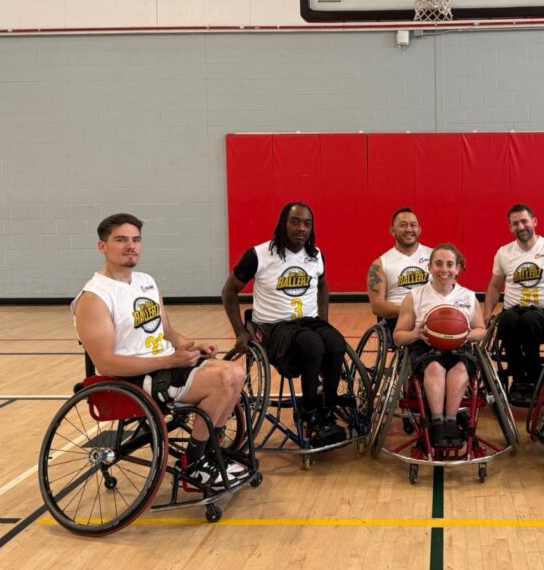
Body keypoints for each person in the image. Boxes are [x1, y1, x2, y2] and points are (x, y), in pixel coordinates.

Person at [73, 213, 247, 489]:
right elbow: (106, 364)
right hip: (132, 380)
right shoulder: (95, 297)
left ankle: (206, 453)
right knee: (223, 379)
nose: (131, 246)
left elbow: (167, 332)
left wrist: (190, 345)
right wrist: (169, 360)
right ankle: (195, 462)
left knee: (237, 372)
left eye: (136, 240)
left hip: (164, 367)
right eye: (121, 240)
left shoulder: (146, 281)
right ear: (102, 247)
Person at [221, 201, 346, 447]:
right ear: (282, 223)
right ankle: (310, 416)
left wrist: (324, 321)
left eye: (307, 224)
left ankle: (327, 409)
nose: (302, 228)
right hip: (272, 327)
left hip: (307, 322)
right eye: (295, 222)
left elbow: (322, 286)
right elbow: (229, 291)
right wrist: (240, 331)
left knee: (335, 341)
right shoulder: (258, 255)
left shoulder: (316, 255)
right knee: (312, 345)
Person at [393, 244, 486, 449]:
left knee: (460, 368)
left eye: (450, 264)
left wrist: (466, 335)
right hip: (426, 348)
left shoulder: (469, 297)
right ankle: (436, 421)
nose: (444, 269)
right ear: (430, 267)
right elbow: (398, 336)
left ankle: (451, 421)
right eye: (438, 264)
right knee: (435, 368)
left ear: (457, 269)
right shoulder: (415, 296)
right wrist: (416, 333)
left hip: (459, 347)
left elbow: (481, 330)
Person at [483, 204, 544, 405]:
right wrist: (486, 313)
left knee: (529, 319)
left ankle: (535, 380)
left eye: (524, 221)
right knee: (507, 318)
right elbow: (494, 287)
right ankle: (518, 381)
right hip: (513, 312)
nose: (521, 226)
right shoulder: (504, 252)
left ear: (534, 222)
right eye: (515, 223)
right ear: (510, 228)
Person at [367, 208, 432, 337]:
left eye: (413, 225)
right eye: (403, 225)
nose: (409, 229)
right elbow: (377, 306)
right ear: (392, 231)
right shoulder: (380, 264)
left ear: (419, 229)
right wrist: (411, 311)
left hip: (434, 315)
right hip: (400, 320)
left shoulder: (435, 256)